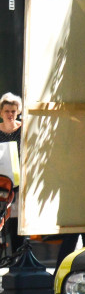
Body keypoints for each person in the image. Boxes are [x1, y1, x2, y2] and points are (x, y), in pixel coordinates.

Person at [0, 93, 22, 256]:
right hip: (1, 182)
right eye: (7, 111)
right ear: (1, 113)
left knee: (16, 222)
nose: (10, 115)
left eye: (13, 111)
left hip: (19, 183)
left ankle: (17, 257)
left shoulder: (24, 129)